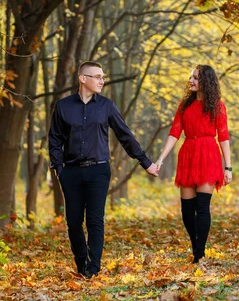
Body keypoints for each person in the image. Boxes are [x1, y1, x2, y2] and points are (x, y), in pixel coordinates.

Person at [48, 61, 158, 279]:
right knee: (73, 222)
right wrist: (59, 169)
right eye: (97, 76)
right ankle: (81, 264)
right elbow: (54, 139)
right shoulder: (63, 106)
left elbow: (125, 135)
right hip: (70, 172)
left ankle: (93, 268)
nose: (102, 80)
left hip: (98, 170)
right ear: (82, 79)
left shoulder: (107, 106)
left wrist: (145, 162)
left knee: (95, 220)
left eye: (103, 76)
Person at [155, 64, 232, 263]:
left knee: (202, 206)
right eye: (191, 77)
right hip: (188, 154)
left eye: (196, 78)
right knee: (187, 210)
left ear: (206, 81)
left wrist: (228, 167)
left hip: (208, 154)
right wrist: (161, 159)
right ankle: (196, 245)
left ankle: (200, 253)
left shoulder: (217, 106)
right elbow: (174, 133)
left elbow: (223, 137)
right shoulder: (185, 106)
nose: (191, 81)